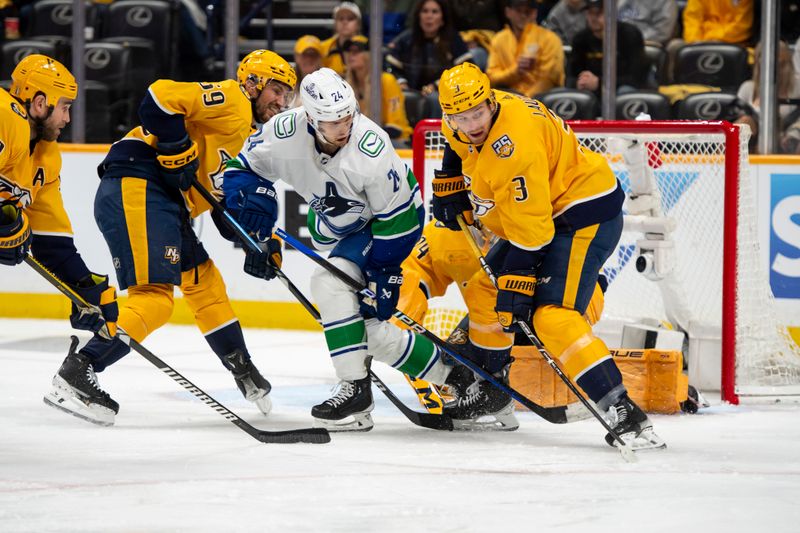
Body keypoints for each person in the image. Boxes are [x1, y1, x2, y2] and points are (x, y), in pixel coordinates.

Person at [42, 50, 298, 426]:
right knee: (155, 299)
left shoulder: (245, 137)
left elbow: (223, 209)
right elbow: (158, 99)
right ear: (253, 83)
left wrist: (258, 243)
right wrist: (176, 148)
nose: (281, 101)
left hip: (163, 200)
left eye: (287, 95)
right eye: (276, 89)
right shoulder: (233, 99)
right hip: (140, 184)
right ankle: (79, 369)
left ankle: (240, 365)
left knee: (204, 279)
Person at [433, 61, 665, 450]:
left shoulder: (515, 147)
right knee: (485, 291)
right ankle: (494, 393)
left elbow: (534, 230)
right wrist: (450, 178)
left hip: (582, 215)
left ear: (490, 102)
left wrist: (520, 281)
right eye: (461, 116)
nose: (472, 123)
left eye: (477, 114)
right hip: (543, 217)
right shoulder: (461, 118)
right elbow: (457, 144)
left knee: (551, 317)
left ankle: (624, 412)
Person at [221, 68, 457, 432]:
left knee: (329, 285)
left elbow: (397, 221)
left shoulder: (370, 147)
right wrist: (257, 229)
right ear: (311, 119)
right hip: (337, 229)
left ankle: (355, 390)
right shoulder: (285, 131)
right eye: (333, 122)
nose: (344, 127)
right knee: (371, 333)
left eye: (348, 116)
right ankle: (456, 377)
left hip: (391, 225)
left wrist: (384, 274)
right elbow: (242, 169)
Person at [0, 54, 120, 414]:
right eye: (64, 107)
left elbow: (51, 241)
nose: (67, 118)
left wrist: (83, 286)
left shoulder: (46, 158)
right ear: (39, 103)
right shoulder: (5, 116)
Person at [386, 0, 472, 118]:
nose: (429, 16)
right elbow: (388, 66)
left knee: (434, 98)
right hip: (410, 90)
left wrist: (437, 85)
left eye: (434, 12)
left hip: (443, 92)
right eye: (425, 11)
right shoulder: (406, 39)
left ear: (442, 19)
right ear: (418, 16)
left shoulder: (453, 39)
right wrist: (401, 82)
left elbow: (466, 70)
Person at [485, 0, 565, 98]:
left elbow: (550, 79)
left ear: (535, 13)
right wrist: (515, 71)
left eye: (528, 11)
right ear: (508, 12)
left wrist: (525, 99)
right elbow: (492, 77)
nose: (523, 15)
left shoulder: (550, 39)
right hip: (506, 99)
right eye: (518, 11)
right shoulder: (499, 40)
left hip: (541, 101)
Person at [342, 35, 413, 145]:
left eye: (357, 51)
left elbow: (395, 127)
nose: (352, 55)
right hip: (362, 141)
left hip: (395, 141)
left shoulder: (386, 80)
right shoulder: (345, 86)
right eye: (349, 51)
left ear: (369, 55)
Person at [568, 0, 647, 96]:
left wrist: (600, 83)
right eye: (590, 13)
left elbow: (637, 77)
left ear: (612, 13)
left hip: (621, 89)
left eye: (598, 13)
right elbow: (570, 76)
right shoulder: (580, 39)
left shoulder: (630, 35)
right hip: (589, 91)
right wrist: (579, 82)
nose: (593, 18)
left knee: (625, 92)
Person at [735, 41, 800, 154]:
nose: (773, 71)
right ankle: (729, 164)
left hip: (791, 137)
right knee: (744, 123)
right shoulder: (748, 88)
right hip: (756, 139)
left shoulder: (798, 87)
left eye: (780, 65)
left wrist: (793, 133)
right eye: (766, 64)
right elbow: (737, 118)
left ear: (788, 64)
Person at [321, 2, 363, 76]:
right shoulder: (324, 47)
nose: (345, 22)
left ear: (358, 24)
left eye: (350, 19)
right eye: (341, 18)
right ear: (335, 23)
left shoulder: (367, 47)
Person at [292, 34, 324, 107]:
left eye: (313, 55)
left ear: (320, 58)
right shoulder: (287, 82)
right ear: (296, 56)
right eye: (305, 54)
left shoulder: (330, 82)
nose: (309, 59)